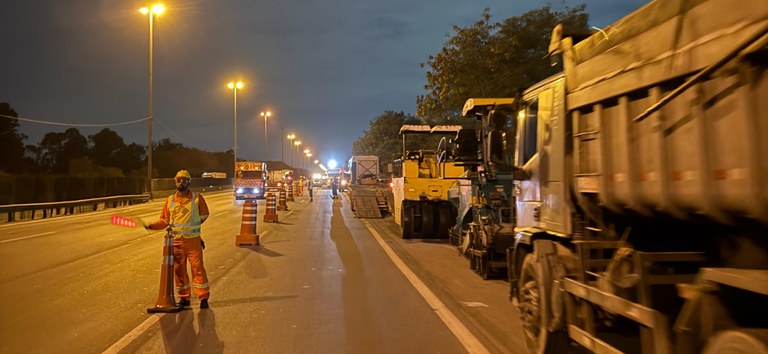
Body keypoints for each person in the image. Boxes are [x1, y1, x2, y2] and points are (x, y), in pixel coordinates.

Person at [145, 170, 211, 309]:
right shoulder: (170, 200)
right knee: (179, 270)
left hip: (193, 241)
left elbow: (204, 215)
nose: (181, 182)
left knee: (198, 268)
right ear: (175, 182)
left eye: (184, 180)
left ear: (189, 182)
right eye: (178, 180)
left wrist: (194, 227)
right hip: (176, 242)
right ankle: (184, 297)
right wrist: (152, 226)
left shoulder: (197, 198)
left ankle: (203, 297)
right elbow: (164, 220)